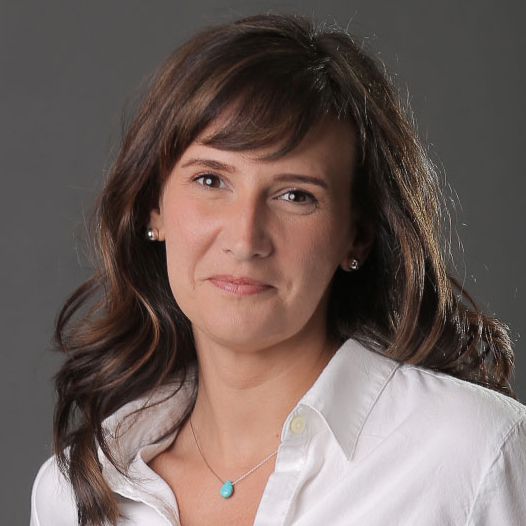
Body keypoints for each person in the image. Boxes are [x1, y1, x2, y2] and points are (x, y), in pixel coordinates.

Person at [30, 12, 525, 526]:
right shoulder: (74, 491)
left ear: (355, 235)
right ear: (154, 209)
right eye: (210, 180)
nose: (245, 240)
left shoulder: (474, 453)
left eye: (296, 195)